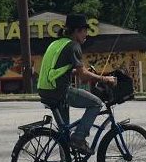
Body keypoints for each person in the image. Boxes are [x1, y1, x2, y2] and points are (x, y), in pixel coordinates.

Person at [37, 13, 116, 154]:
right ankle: (79, 138)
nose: (86, 34)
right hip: (59, 90)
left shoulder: (57, 43)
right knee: (96, 103)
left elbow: (58, 70)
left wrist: (74, 72)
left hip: (45, 90)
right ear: (77, 31)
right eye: (85, 30)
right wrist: (105, 79)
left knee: (63, 132)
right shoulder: (74, 46)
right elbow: (84, 77)